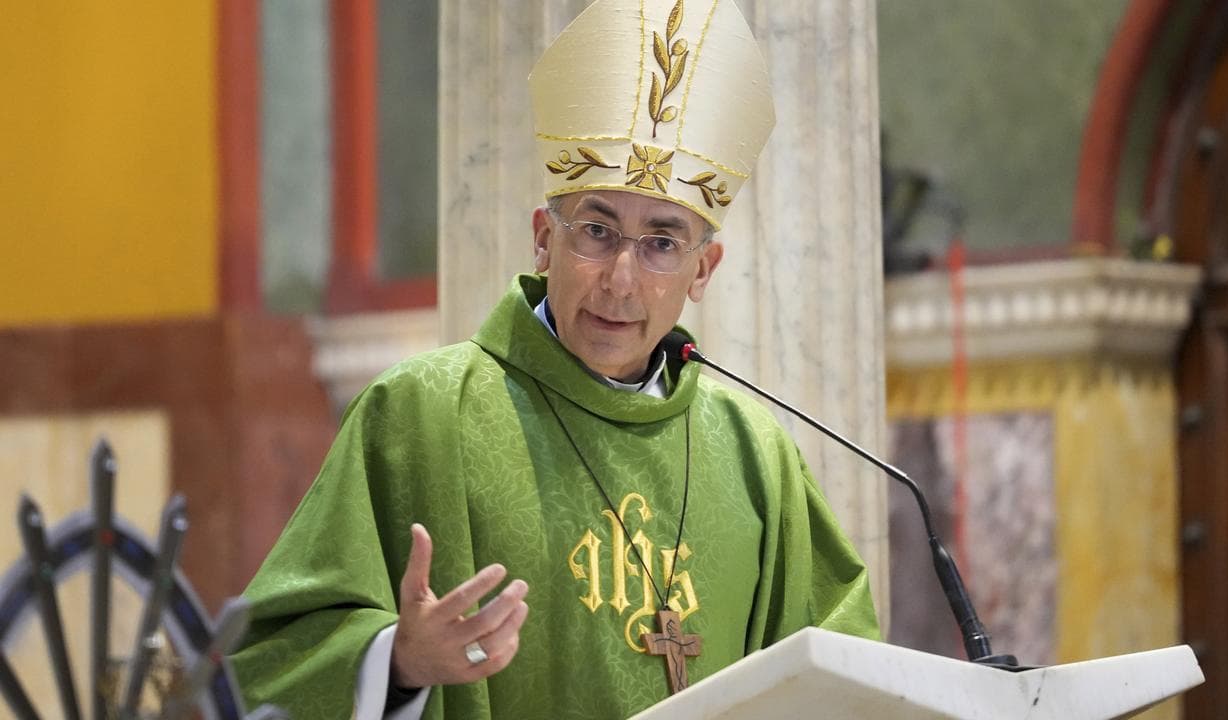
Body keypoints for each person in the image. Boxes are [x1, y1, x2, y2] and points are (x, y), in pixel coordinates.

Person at [231, 1, 880, 718]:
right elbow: (270, 664)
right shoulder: (420, 414)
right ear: (545, 239)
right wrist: (399, 663)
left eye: (662, 243)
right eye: (596, 231)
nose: (622, 279)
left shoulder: (756, 457)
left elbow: (847, 677)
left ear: (704, 270)